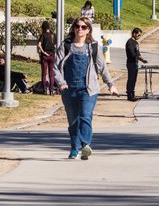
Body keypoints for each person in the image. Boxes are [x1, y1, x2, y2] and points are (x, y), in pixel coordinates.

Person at [54, 17, 118, 160]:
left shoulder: (93, 47)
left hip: (88, 89)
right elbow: (56, 68)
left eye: (84, 27)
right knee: (73, 120)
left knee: (85, 116)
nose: (80, 29)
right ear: (73, 28)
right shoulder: (65, 45)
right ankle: (74, 147)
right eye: (77, 26)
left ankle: (85, 145)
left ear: (88, 30)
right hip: (68, 89)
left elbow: (102, 68)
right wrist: (61, 82)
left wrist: (111, 84)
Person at [125, 28, 147, 101]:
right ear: (134, 33)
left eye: (140, 35)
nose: (139, 36)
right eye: (138, 35)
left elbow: (138, 53)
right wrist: (139, 58)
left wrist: (142, 59)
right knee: (131, 79)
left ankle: (133, 93)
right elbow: (132, 54)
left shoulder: (136, 43)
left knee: (134, 79)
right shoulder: (129, 42)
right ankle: (129, 94)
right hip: (131, 63)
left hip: (135, 63)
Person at [36, 20, 57, 95]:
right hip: (52, 56)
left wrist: (43, 52)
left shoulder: (43, 35)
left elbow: (39, 44)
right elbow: (55, 45)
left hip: (45, 56)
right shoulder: (53, 35)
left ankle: (44, 89)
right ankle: (51, 90)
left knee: (44, 74)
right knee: (51, 73)